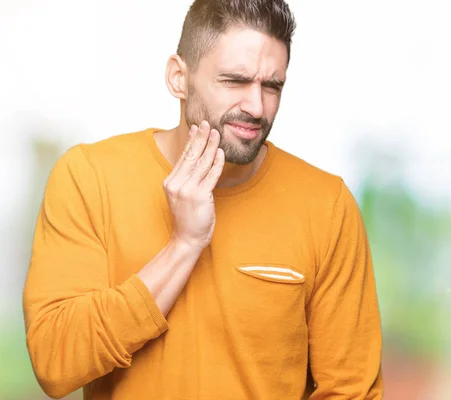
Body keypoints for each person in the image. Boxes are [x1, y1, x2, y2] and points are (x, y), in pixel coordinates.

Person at [22, 0, 383, 398]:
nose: (256, 107)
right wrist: (184, 245)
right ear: (179, 77)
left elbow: (351, 391)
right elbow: (54, 362)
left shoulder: (325, 204)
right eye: (234, 81)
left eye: (272, 85)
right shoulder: (89, 177)